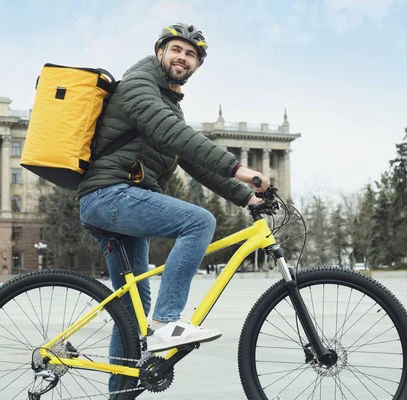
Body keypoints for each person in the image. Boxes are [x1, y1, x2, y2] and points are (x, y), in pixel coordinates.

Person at [78, 22, 269, 390]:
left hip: (122, 200)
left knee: (130, 316)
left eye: (192, 54)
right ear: (160, 51)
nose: (183, 57)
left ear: (197, 66)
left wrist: (247, 196)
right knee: (198, 221)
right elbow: (175, 133)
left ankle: (121, 394)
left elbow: (192, 161)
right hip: (109, 195)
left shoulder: (168, 101)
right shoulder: (139, 86)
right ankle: (166, 323)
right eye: (177, 49)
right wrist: (240, 168)